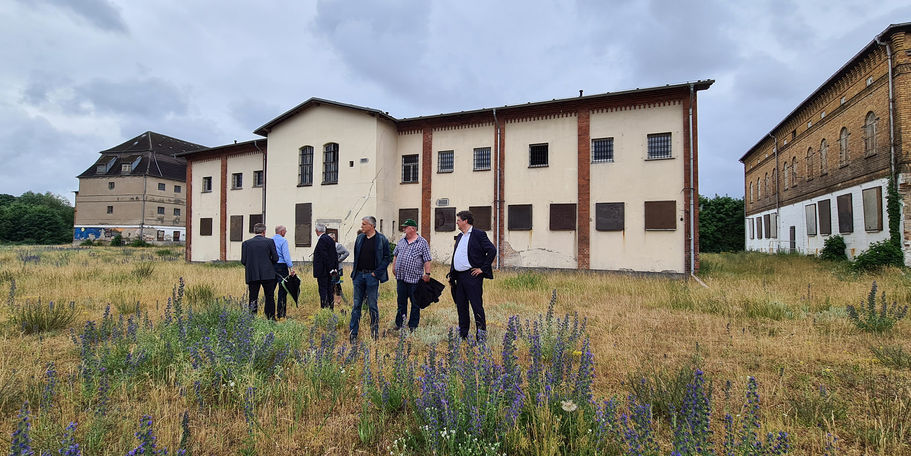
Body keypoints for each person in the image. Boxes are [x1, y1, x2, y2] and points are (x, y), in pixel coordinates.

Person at [449, 210, 497, 340]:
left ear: (465, 221)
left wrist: (483, 268)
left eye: (458, 220)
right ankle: (463, 334)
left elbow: (492, 250)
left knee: (476, 305)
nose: (457, 223)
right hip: (459, 277)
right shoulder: (460, 237)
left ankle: (481, 336)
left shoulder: (478, 234)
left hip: (472, 276)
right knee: (461, 306)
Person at [349, 216, 390, 342]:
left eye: (364, 224)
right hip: (359, 276)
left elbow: (387, 257)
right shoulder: (360, 238)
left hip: (372, 277)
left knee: (372, 305)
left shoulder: (381, 239)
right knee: (356, 305)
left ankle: (374, 333)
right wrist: (355, 273)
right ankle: (353, 334)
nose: (362, 226)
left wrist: (376, 274)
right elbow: (356, 256)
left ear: (371, 226)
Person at [392, 219, 431, 332]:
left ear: (413, 229)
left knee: (415, 303)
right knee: (401, 302)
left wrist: (427, 274)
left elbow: (427, 259)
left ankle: (413, 326)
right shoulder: (401, 241)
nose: (403, 229)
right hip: (401, 278)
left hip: (415, 279)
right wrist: (394, 267)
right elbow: (395, 254)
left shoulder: (422, 242)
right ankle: (400, 324)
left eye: (406, 227)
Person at [241, 222, 279, 320]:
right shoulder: (270, 242)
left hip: (253, 274)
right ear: (264, 231)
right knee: (269, 296)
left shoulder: (246, 243)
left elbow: (243, 261)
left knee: (253, 297)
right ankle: (270, 318)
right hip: (268, 273)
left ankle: (252, 317)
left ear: (254, 231)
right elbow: (275, 258)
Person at [312, 223, 339, 310]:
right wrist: (334, 268)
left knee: (323, 291)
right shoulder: (330, 239)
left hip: (323, 271)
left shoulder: (322, 240)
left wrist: (330, 268)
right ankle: (330, 309)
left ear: (316, 231)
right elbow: (334, 255)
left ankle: (325, 309)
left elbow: (324, 256)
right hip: (329, 271)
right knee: (329, 290)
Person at [272, 225, 296, 319]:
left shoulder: (270, 240)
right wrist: (291, 268)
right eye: (285, 231)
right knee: (282, 290)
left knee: (270, 290)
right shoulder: (283, 241)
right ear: (282, 232)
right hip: (282, 267)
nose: (285, 233)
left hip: (272, 267)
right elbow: (286, 256)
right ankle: (281, 314)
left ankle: (270, 313)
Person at [328, 232, 350, 307]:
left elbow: (346, 253)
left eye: (332, 238)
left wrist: (339, 260)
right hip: (331, 269)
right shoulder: (328, 246)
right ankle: (332, 300)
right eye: (330, 238)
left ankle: (338, 300)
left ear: (334, 238)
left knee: (337, 284)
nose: (331, 240)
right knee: (331, 284)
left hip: (338, 268)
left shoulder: (338, 246)